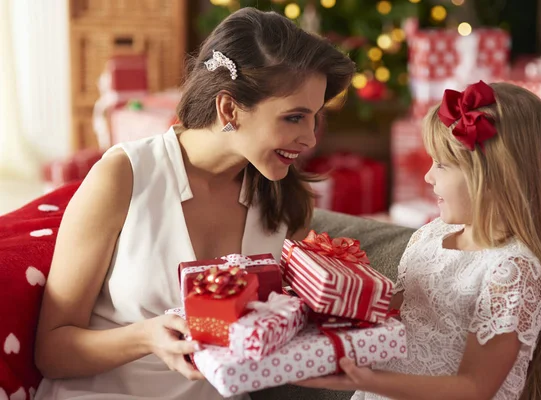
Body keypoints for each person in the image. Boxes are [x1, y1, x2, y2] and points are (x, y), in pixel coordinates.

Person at [34, 7, 354, 399]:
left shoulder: (289, 200)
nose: (310, 138)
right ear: (229, 108)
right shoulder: (123, 176)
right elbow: (51, 352)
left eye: (315, 118)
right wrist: (146, 337)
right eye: (294, 118)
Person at [296, 81, 541, 400]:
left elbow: (474, 388)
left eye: (441, 164)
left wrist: (366, 380)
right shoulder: (431, 234)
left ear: (493, 176)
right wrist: (331, 292)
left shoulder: (512, 270)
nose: (427, 177)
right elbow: (396, 310)